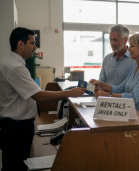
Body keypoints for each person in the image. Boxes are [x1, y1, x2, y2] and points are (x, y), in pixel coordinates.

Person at [0, 27, 86, 171]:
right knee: (14, 167)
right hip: (16, 129)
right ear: (20, 44)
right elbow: (38, 95)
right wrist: (68, 93)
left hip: (17, 126)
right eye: (32, 43)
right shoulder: (14, 67)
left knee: (16, 165)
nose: (35, 47)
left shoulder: (15, 64)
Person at [90, 33, 139, 119]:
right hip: (132, 117)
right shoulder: (135, 68)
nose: (129, 49)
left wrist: (107, 95)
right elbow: (121, 88)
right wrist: (101, 84)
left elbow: (134, 97)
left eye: (132, 46)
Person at [90, 24, 136, 89]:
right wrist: (95, 84)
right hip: (107, 98)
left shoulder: (134, 60)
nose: (112, 43)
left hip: (125, 98)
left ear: (125, 40)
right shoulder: (107, 59)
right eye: (110, 39)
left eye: (115, 40)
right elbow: (102, 81)